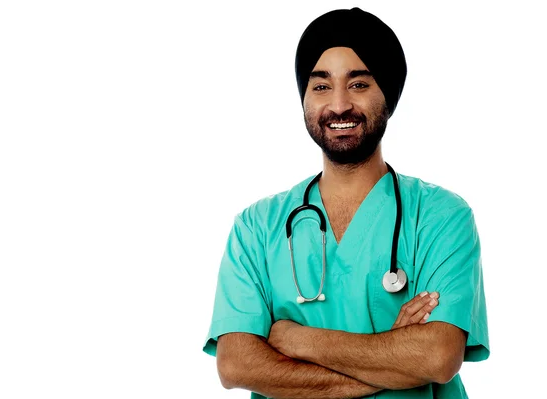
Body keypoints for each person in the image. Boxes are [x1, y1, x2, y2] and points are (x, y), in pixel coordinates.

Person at [202, 7, 489, 399]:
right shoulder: (256, 227)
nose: (338, 106)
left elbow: (437, 357)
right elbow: (236, 364)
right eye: (321, 86)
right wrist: (395, 360)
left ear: (387, 95)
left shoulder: (441, 217)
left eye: (358, 84)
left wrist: (298, 340)